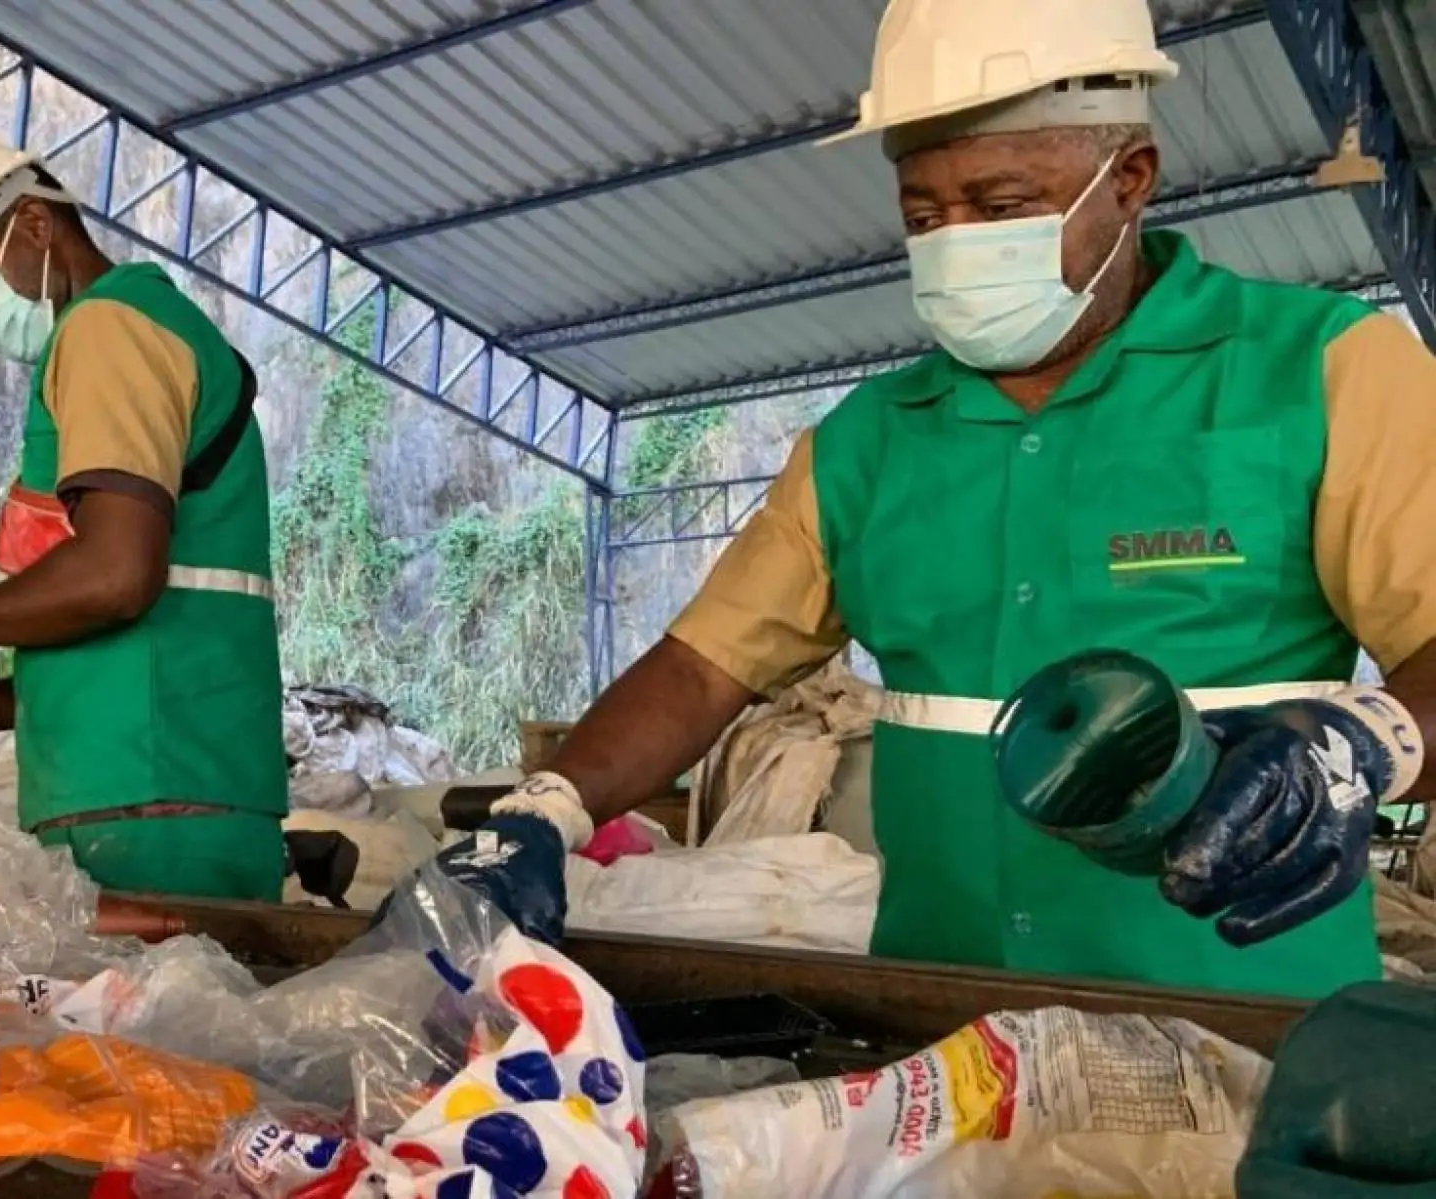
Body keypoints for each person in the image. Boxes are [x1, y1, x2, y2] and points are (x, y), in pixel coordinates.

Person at [422, 0, 1436, 999]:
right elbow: (702, 666)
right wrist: (546, 805)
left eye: (999, 208)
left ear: (1129, 179)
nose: (956, 241)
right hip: (943, 1020)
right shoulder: (868, 440)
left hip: (1241, 1018)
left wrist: (1361, 748)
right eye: (923, 215)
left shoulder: (1319, 373)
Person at [0, 129, 288, 899]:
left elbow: (116, 577)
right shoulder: (121, 334)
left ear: (36, 224)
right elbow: (113, 631)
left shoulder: (108, 330)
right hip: (153, 790)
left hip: (154, 805)